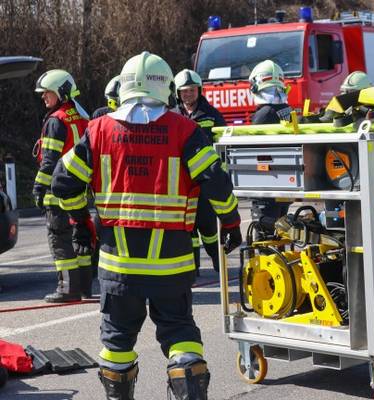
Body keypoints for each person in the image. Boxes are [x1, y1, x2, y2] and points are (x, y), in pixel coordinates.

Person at [51, 51, 242, 400]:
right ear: (167, 88)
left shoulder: (98, 130)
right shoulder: (185, 130)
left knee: (117, 342)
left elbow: (63, 183)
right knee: (180, 333)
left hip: (118, 266)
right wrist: (230, 222)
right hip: (172, 265)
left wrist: (80, 222)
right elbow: (216, 182)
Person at [32, 69, 93, 303]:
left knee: (59, 238)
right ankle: (85, 287)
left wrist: (39, 188)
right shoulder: (81, 116)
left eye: (47, 92)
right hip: (79, 189)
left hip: (56, 192)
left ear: (61, 92)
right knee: (80, 236)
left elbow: (49, 161)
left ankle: (67, 289)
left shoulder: (56, 120)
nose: (43, 97)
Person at [174, 69, 226, 272]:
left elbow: (222, 146)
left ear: (199, 91)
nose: (188, 94)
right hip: (182, 181)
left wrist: (219, 176)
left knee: (208, 226)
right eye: (184, 91)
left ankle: (218, 264)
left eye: (192, 90)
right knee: (187, 228)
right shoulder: (172, 115)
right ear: (178, 93)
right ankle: (193, 269)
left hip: (204, 179)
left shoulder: (212, 115)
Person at [248, 60, 293, 224]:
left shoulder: (264, 115)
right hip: (285, 179)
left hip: (267, 181)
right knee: (281, 227)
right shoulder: (286, 109)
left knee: (265, 230)